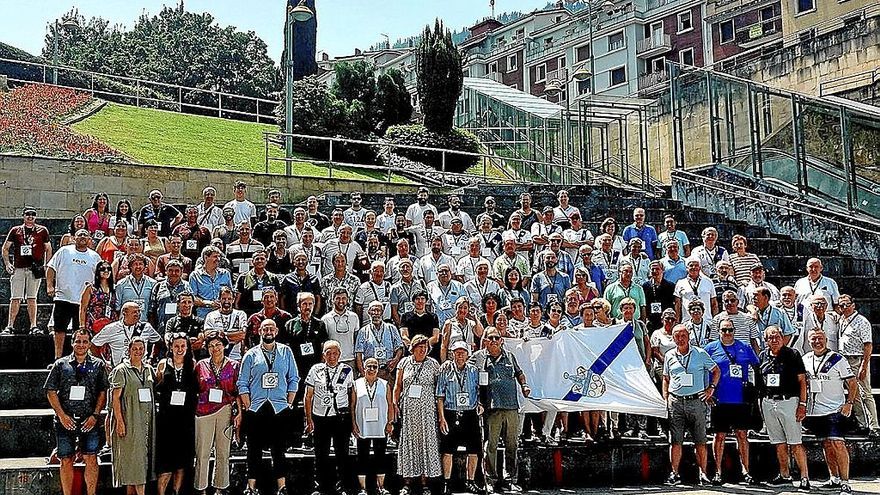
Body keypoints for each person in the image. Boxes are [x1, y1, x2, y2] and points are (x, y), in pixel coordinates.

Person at [238, 318, 299, 495]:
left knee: (278, 449)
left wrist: (289, 401)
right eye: (265, 329)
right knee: (254, 450)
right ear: (259, 332)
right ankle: (251, 487)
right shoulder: (251, 354)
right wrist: (247, 403)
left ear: (277, 331)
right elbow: (242, 382)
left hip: (279, 407)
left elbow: (293, 378)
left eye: (271, 329)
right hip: (257, 407)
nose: (268, 332)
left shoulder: (286, 351)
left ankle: (282, 486)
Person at [45, 328, 109, 495]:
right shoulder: (61, 364)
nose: (81, 345)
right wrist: (61, 415)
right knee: (66, 459)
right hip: (66, 419)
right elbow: (50, 391)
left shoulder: (98, 365)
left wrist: (95, 416)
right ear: (72, 343)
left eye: (85, 341)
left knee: (91, 457)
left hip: (89, 419)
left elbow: (103, 392)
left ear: (89, 344)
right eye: (78, 341)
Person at [471, 327, 530, 493]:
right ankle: (491, 479)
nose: (494, 341)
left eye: (497, 338)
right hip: (492, 407)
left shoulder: (510, 356)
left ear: (501, 340)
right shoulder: (480, 357)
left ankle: (511, 479)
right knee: (491, 445)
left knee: (512, 444)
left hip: (511, 406)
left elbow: (520, 373)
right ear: (486, 341)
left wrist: (524, 385)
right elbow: (468, 371)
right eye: (491, 338)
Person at [704, 318, 761, 485]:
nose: (727, 333)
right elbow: (703, 370)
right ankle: (718, 472)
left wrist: (755, 390)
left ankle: (746, 471)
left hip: (740, 399)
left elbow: (758, 367)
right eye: (724, 330)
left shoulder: (744, 347)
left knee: (742, 435)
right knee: (719, 436)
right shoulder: (710, 348)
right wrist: (708, 391)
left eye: (730, 330)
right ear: (719, 331)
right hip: (719, 399)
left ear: (734, 331)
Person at [662, 324, 720, 486]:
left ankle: (703, 474)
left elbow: (716, 371)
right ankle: (674, 474)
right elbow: (666, 378)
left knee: (700, 440)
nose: (680, 339)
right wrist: (665, 398)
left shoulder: (700, 353)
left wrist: (711, 389)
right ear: (673, 338)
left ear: (689, 337)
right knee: (675, 441)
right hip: (676, 401)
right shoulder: (669, 355)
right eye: (677, 336)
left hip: (696, 401)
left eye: (683, 336)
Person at [802, 328, 858, 495]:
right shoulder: (805, 359)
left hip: (834, 409)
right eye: (813, 339)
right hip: (814, 411)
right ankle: (834, 478)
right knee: (826, 444)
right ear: (809, 341)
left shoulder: (838, 359)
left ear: (826, 339)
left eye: (820, 338)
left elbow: (853, 383)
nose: (817, 342)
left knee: (838, 443)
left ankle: (846, 483)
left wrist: (849, 403)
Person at [759, 326, 810, 489]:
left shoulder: (793, 354)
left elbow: (802, 381)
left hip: (789, 402)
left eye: (777, 337)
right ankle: (784, 474)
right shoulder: (762, 356)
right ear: (766, 340)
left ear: (782, 337)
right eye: (770, 338)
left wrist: (802, 404)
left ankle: (804, 476)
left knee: (795, 442)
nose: (774, 340)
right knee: (778, 442)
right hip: (769, 402)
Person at [305, 341, 355, 495]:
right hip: (321, 416)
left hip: (340, 417)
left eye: (335, 353)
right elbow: (308, 397)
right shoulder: (315, 370)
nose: (332, 356)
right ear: (323, 355)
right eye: (328, 353)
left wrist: (353, 421)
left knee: (342, 453)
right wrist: (309, 419)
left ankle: (343, 486)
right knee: (321, 453)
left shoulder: (346, 370)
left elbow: (351, 396)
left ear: (339, 355)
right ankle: (320, 486)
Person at [194, 330, 241, 495]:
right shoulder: (200, 365)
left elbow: (238, 392)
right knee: (202, 453)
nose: (215, 348)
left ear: (225, 346)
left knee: (222, 452)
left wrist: (239, 413)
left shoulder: (234, 365)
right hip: (203, 412)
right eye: (211, 346)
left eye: (218, 345)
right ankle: (201, 488)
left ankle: (220, 488)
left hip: (225, 410)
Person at [394, 335, 442, 495]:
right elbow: (398, 385)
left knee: (426, 443)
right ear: (412, 348)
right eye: (419, 346)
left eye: (425, 347)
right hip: (409, 410)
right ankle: (407, 482)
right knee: (409, 442)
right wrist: (395, 405)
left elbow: (439, 387)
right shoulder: (404, 362)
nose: (422, 349)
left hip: (428, 411)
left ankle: (424, 482)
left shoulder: (433, 364)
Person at [109, 337, 157, 494]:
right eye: (135, 348)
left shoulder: (149, 369)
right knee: (134, 459)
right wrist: (120, 422)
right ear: (128, 350)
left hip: (147, 420)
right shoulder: (121, 370)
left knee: (142, 459)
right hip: (131, 418)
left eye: (141, 348)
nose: (138, 351)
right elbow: (115, 398)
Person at [436, 340, 483, 495]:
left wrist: (481, 403)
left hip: (470, 414)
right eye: (457, 352)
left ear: (468, 354)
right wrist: (441, 418)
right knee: (448, 450)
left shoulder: (474, 370)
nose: (460, 354)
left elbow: (480, 389)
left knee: (474, 450)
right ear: (452, 353)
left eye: (463, 352)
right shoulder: (445, 370)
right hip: (450, 413)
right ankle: (446, 483)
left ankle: (471, 481)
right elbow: (440, 396)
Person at [155, 332, 198, 495]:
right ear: (170, 347)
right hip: (166, 420)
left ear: (187, 347)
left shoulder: (193, 364)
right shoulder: (162, 364)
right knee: (166, 461)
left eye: (183, 346)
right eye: (176, 346)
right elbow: (156, 387)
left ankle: (176, 491)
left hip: (185, 420)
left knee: (182, 461)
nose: (179, 349)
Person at [47, 229, 101, 359]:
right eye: (80, 234)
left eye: (85, 235)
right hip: (63, 297)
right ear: (74, 238)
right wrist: (49, 285)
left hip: (83, 301)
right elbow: (51, 268)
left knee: (79, 332)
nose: (82, 237)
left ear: (89, 239)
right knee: (59, 330)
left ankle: (78, 358)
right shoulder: (64, 251)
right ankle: (57, 358)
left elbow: (100, 277)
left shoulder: (95, 256)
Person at [3, 206, 52, 334]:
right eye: (27, 214)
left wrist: (46, 265)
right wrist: (7, 263)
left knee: (32, 298)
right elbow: (5, 248)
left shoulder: (42, 230)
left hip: (34, 268)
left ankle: (33, 326)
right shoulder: (16, 230)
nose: (30, 217)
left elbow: (48, 248)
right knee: (15, 298)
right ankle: (10, 326)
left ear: (36, 216)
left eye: (33, 214)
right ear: (23, 216)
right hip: (19, 268)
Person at [836, 294, 879, 437]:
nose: (844, 307)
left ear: (853, 305)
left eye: (846, 304)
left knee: (865, 393)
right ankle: (862, 425)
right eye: (841, 305)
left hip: (858, 359)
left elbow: (868, 345)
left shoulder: (862, 321)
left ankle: (874, 426)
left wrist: (864, 365)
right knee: (854, 396)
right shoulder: (841, 319)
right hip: (844, 360)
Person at [352, 356, 394, 495]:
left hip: (380, 425)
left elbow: (390, 404)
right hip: (362, 425)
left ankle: (381, 487)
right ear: (364, 368)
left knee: (380, 457)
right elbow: (352, 406)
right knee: (362, 456)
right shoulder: (356, 384)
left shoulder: (385, 384)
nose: (371, 369)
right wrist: (353, 424)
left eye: (374, 367)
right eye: (368, 366)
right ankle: (363, 488)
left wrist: (390, 422)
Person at [92, 301, 161, 367]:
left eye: (138, 311)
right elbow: (93, 345)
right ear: (124, 313)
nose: (137, 314)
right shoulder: (111, 328)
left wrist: (152, 358)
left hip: (141, 370)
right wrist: (103, 363)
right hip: (119, 371)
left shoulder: (146, 327)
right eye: (134, 312)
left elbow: (159, 341)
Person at [355, 301, 405, 381]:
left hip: (388, 370)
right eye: (373, 310)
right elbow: (358, 354)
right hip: (370, 370)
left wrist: (395, 360)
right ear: (369, 312)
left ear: (382, 312)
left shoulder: (391, 328)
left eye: (378, 310)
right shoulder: (363, 331)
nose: (376, 313)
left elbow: (399, 347)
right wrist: (363, 373)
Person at [189, 246, 233, 318]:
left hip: (224, 316)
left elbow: (231, 294)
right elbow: (192, 298)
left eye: (219, 257)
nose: (218, 259)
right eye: (215, 256)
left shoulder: (225, 274)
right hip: (203, 316)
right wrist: (209, 303)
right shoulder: (195, 276)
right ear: (206, 258)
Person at [115, 253, 158, 323]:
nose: (138, 266)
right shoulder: (121, 284)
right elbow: (117, 308)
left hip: (144, 323)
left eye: (140, 264)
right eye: (135, 264)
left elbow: (152, 309)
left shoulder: (153, 283)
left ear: (144, 266)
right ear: (130, 266)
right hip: (125, 323)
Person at [79, 261, 118, 337]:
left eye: (108, 269)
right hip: (93, 321)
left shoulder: (114, 288)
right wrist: (82, 326)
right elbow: (83, 308)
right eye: (103, 269)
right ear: (98, 271)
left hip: (110, 321)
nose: (106, 271)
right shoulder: (91, 288)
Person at [674, 258, 717, 323]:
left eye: (696, 265)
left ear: (700, 268)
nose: (694, 267)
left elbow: (714, 303)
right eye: (691, 265)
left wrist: (715, 321)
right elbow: (678, 305)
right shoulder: (680, 283)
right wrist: (677, 321)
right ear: (686, 268)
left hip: (707, 320)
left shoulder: (708, 281)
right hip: (687, 321)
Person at [643, 260, 676, 331]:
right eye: (652, 269)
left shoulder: (670, 286)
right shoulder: (645, 286)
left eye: (657, 269)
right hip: (651, 321)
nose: (655, 271)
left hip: (666, 320)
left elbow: (674, 303)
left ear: (662, 270)